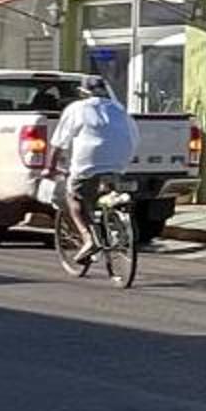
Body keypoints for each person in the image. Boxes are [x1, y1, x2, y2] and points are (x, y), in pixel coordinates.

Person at [48, 76, 140, 272]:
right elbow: (134, 135)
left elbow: (58, 142)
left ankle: (88, 238)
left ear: (83, 92)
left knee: (74, 198)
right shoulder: (119, 108)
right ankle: (114, 226)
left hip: (88, 162)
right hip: (120, 160)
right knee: (107, 192)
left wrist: (50, 167)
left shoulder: (77, 108)